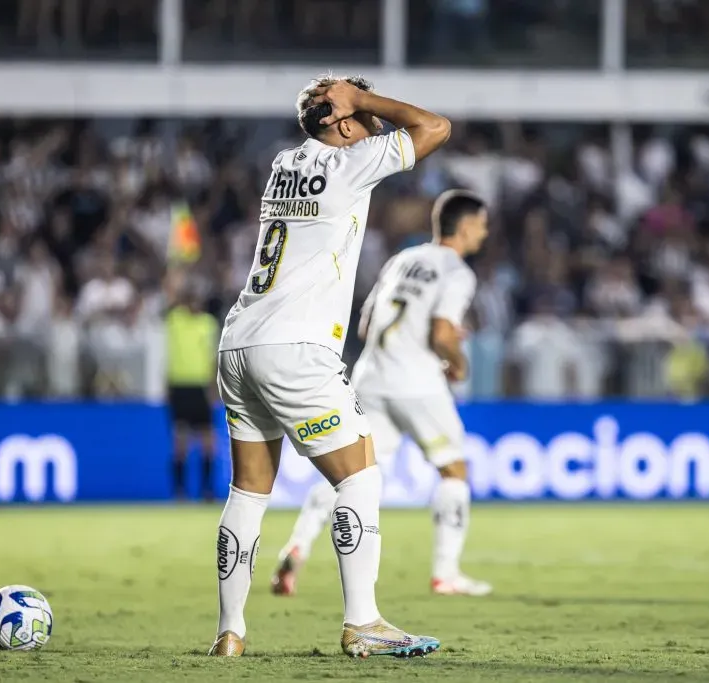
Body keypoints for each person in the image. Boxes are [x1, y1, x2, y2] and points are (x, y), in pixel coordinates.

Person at [210, 75, 451, 658]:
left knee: (248, 492)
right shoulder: (349, 165)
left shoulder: (283, 164)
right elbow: (436, 128)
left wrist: (344, 101)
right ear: (343, 124)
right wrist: (362, 98)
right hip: (295, 349)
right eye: (364, 117)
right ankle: (362, 621)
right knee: (360, 476)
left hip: (240, 342)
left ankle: (230, 632)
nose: (376, 126)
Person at [270, 190, 492, 599]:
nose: (486, 230)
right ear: (464, 226)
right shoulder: (458, 272)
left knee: (352, 474)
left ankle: (296, 546)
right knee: (454, 471)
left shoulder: (402, 259)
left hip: (371, 378)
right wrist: (457, 361)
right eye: (481, 223)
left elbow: (365, 324)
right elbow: (442, 333)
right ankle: (446, 574)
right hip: (419, 383)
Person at [165, 286, 219, 500]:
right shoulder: (174, 321)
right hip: (180, 386)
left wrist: (214, 388)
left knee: (208, 442)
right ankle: (180, 491)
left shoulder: (208, 324)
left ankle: (207, 490)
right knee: (180, 442)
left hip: (201, 387)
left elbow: (213, 358)